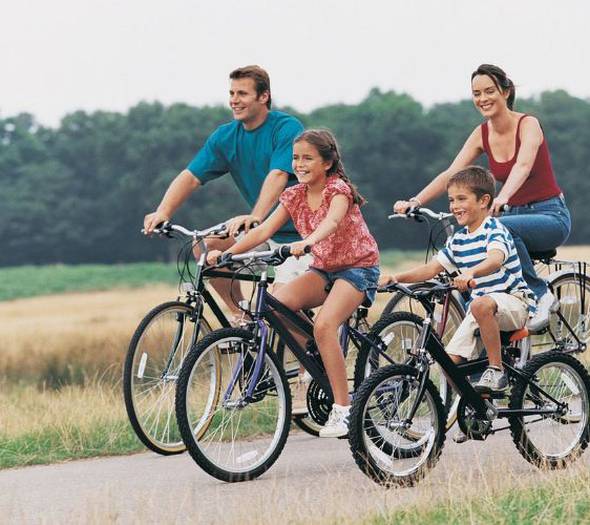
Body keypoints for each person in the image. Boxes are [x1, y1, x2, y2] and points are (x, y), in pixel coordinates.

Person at [208, 129, 380, 438]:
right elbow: (262, 232)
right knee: (278, 306)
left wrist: (308, 242)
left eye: (307, 158)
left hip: (357, 268)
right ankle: (318, 352)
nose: (299, 164)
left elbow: (332, 221)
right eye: (296, 158)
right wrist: (226, 254)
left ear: (326, 163)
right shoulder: (294, 194)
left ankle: (343, 409)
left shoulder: (337, 190)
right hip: (325, 269)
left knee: (325, 324)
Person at [393, 64, 571, 331]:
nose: (483, 99)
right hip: (510, 217)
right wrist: (415, 201)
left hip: (550, 215)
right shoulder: (482, 133)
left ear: (505, 91)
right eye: (476, 93)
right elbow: (452, 173)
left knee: (501, 229)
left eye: (489, 91)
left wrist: (503, 197)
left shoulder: (528, 124)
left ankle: (540, 294)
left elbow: (522, 166)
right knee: (471, 250)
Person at [143, 65, 311, 321]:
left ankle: (312, 358)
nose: (234, 100)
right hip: (264, 233)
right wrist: (163, 211)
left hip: (304, 237)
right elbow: (190, 177)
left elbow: (278, 175)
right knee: (206, 246)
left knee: (281, 312)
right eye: (231, 93)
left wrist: (255, 216)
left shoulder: (285, 128)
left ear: (263, 96)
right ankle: (241, 316)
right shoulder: (225, 137)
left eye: (242, 93)